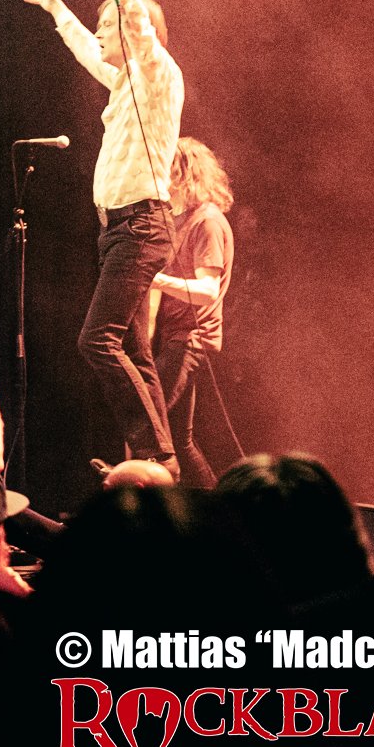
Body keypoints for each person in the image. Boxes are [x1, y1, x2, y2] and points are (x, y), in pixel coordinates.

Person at [25, 0, 183, 478]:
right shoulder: (124, 85)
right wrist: (57, 9)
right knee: (135, 353)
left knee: (97, 340)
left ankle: (157, 454)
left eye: (106, 24)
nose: (100, 32)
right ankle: (155, 460)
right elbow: (88, 51)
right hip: (119, 229)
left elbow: (138, 28)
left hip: (141, 225)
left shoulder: (159, 75)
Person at [146, 136, 234, 485]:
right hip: (175, 337)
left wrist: (156, 280)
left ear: (182, 173)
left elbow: (207, 291)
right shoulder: (180, 220)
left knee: (149, 425)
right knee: (180, 441)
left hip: (190, 339)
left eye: (164, 170)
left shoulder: (207, 222)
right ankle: (216, 507)